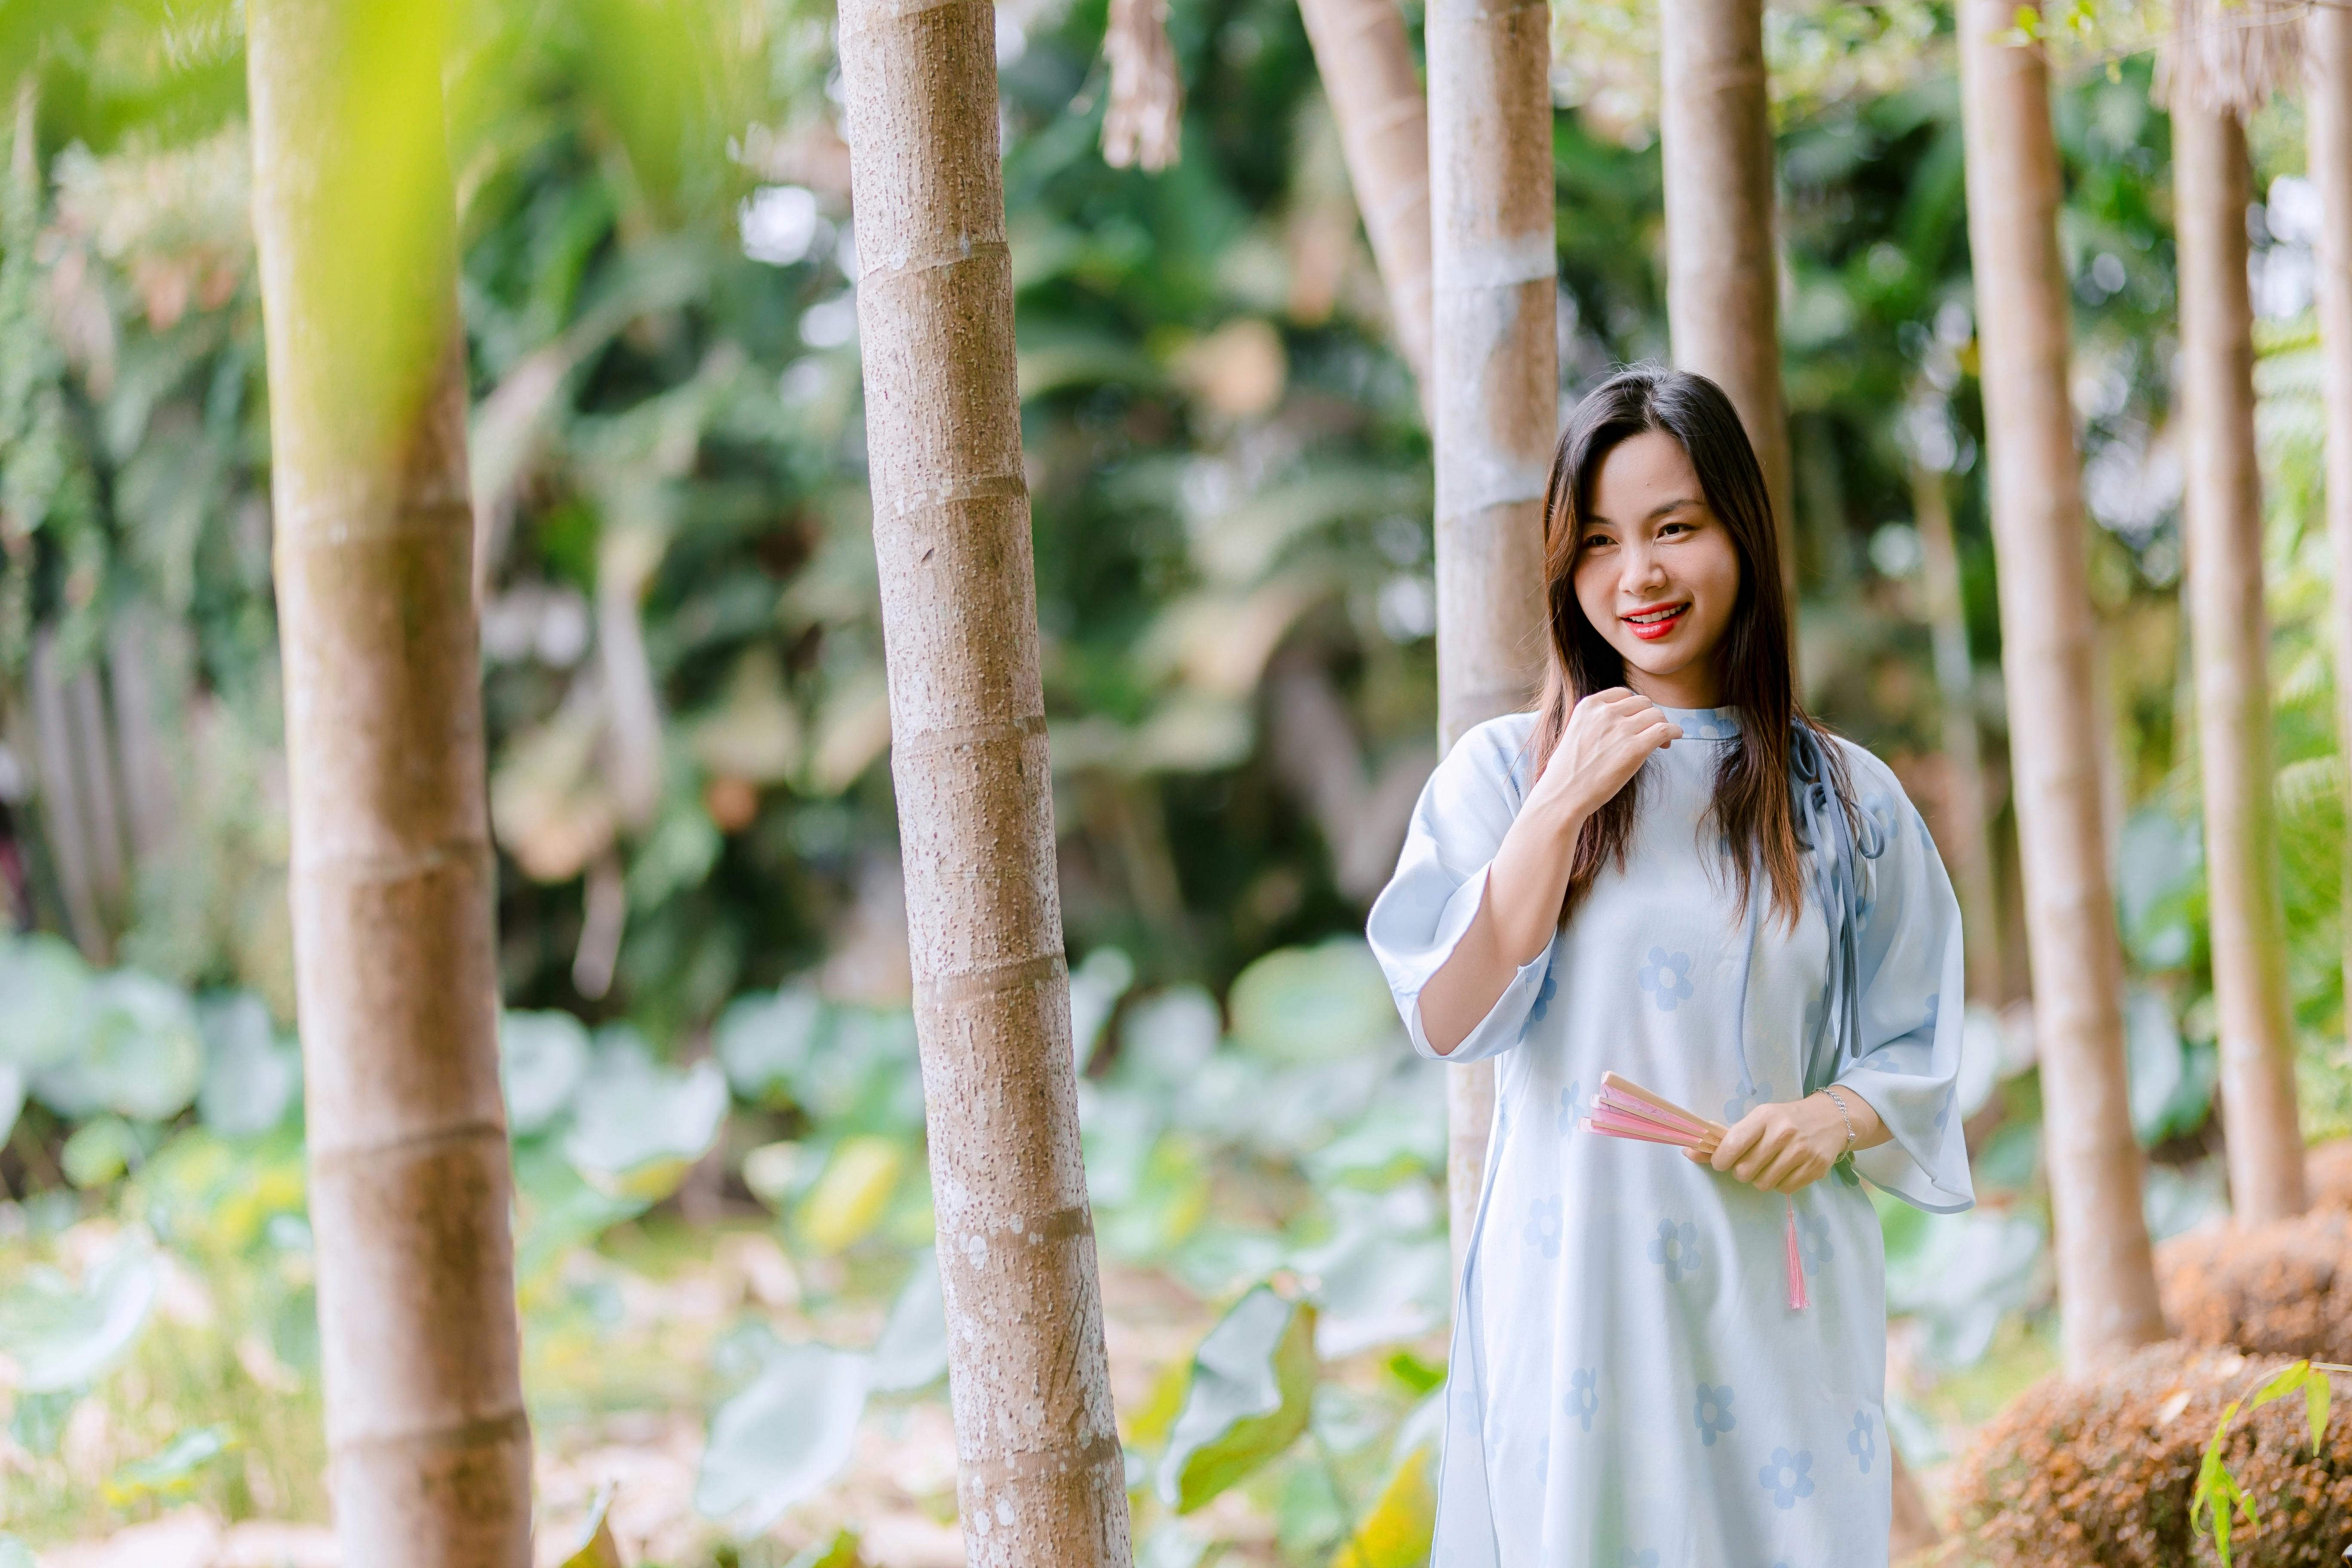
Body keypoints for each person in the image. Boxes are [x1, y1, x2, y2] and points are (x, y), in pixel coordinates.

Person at [1367, 365, 1973, 1565]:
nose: (1636, 575)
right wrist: (1557, 807)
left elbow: (1922, 1036)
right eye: (1599, 542)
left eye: (1674, 529)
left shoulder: (1843, 798)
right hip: (1578, 1297)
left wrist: (1833, 1118)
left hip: (1776, 1294)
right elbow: (1445, 1016)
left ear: (1740, 534)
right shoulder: (1501, 774)